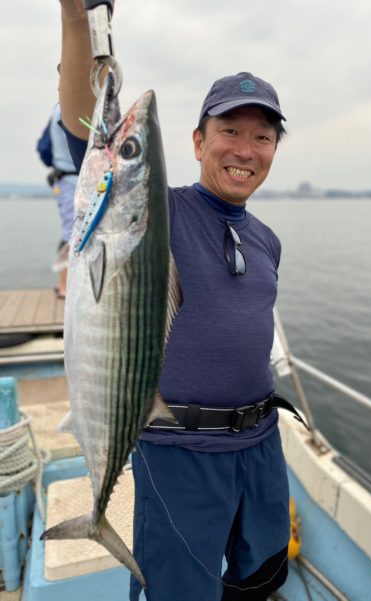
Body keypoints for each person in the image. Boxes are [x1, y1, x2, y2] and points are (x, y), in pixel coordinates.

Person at [58, 2, 294, 600]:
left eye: (261, 136)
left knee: (262, 575)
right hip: (179, 449)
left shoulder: (266, 239)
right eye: (229, 132)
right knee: (178, 590)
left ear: (274, 149)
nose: (246, 149)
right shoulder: (157, 210)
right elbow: (86, 124)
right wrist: (74, 16)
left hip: (260, 443)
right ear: (197, 141)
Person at [37, 102, 78, 298]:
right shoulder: (68, 108)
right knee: (71, 231)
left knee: (71, 231)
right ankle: (64, 287)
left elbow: (43, 149)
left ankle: (64, 285)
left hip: (64, 179)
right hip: (71, 179)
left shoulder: (57, 108)